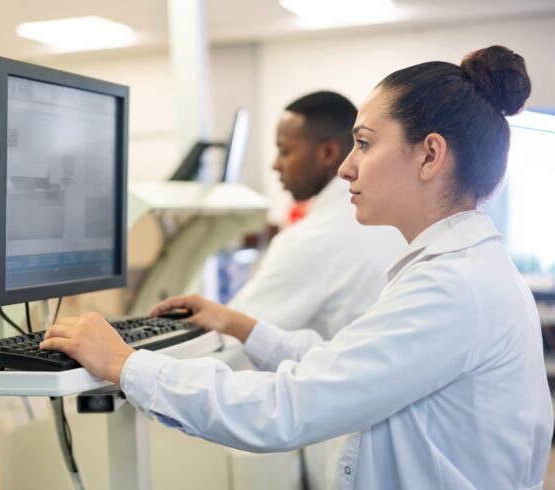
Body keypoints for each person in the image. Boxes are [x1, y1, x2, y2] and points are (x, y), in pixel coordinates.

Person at [41, 45, 554, 489]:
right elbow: (348, 365)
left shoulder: (451, 287)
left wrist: (125, 364)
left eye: (365, 143)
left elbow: (290, 407)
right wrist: (242, 325)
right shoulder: (463, 270)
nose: (346, 167)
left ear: (429, 156)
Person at [229, 91, 404, 340]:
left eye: (285, 151)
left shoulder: (310, 241)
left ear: (328, 153)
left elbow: (232, 334)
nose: (275, 165)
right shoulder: (394, 219)